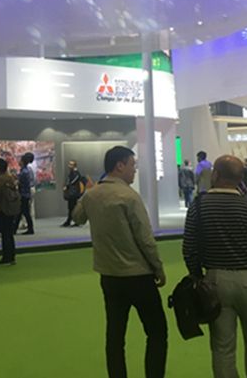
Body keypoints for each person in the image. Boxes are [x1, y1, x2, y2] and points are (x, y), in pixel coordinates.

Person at [72, 146, 167, 378]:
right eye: (132, 165)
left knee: (115, 337)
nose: (135, 170)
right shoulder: (129, 196)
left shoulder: (92, 195)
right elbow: (145, 239)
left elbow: (77, 217)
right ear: (120, 166)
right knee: (157, 333)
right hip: (139, 276)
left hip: (109, 277)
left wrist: (88, 193)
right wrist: (158, 268)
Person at [183, 155, 247, 378]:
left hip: (215, 282)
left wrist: (198, 278)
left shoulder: (198, 206)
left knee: (222, 348)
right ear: (240, 178)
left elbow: (189, 248)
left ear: (215, 175)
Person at [62, 160, 86, 227]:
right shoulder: (72, 173)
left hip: (74, 193)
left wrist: (67, 186)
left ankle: (74, 221)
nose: (69, 166)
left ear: (74, 166)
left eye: (71, 164)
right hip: (72, 192)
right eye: (69, 164)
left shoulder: (76, 173)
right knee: (71, 207)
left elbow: (73, 181)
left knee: (73, 208)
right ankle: (69, 221)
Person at [15, 152, 35, 234]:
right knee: (22, 212)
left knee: (25, 212)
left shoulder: (24, 172)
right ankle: (15, 228)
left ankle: (30, 228)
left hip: (23, 194)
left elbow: (19, 182)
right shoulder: (25, 170)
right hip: (25, 194)